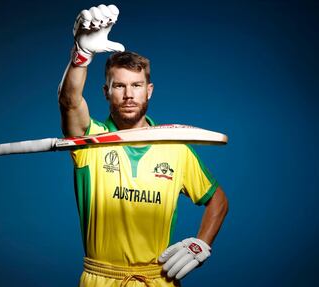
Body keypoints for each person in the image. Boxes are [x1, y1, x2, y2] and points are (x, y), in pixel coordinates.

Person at [58, 4, 228, 287]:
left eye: (136, 86)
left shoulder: (176, 148)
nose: (128, 95)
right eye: (119, 86)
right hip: (102, 280)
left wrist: (201, 244)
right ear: (106, 91)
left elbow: (218, 200)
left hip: (158, 280)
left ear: (148, 90)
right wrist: (81, 57)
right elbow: (70, 102)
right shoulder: (91, 140)